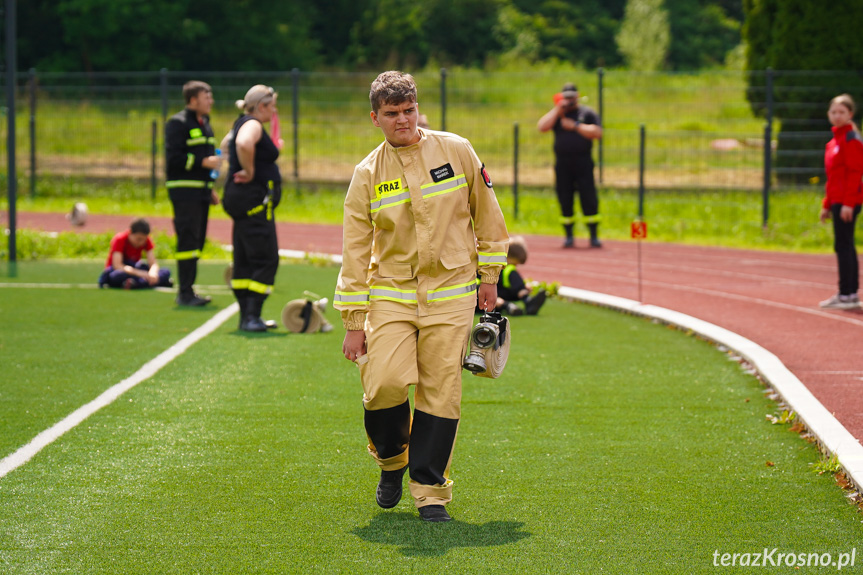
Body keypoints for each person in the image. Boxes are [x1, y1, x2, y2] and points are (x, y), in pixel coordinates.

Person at [335, 71, 509, 523]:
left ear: (418, 108)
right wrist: (354, 322)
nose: (403, 120)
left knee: (440, 393)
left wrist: (489, 275)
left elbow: (487, 214)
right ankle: (392, 461)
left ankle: (430, 491)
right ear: (376, 117)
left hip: (452, 294)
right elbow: (354, 251)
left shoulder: (457, 150)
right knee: (383, 384)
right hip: (390, 295)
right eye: (392, 114)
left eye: (409, 110)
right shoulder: (367, 174)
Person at [222, 85, 282, 332]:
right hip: (254, 202)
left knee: (244, 259)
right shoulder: (253, 125)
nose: (274, 110)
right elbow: (244, 144)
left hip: (240, 201)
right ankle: (251, 316)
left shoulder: (241, 122)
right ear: (261, 106)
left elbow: (226, 145)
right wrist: (249, 170)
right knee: (267, 259)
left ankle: (246, 315)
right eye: (272, 105)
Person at [165, 80, 221, 306]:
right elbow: (174, 159)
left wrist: (210, 187)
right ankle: (185, 293)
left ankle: (189, 290)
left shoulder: (205, 123)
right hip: (184, 193)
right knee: (187, 241)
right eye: (206, 97)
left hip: (201, 193)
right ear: (193, 100)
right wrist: (203, 162)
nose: (211, 101)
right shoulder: (177, 123)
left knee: (197, 241)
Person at [537, 82, 603, 249]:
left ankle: (593, 235)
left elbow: (597, 132)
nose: (569, 101)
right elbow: (542, 127)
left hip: (583, 162)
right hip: (563, 164)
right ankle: (569, 236)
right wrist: (557, 110)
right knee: (564, 198)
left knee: (588, 197)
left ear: (577, 96)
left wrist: (576, 126)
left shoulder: (586, 113)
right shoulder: (558, 115)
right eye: (566, 98)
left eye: (572, 98)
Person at [819, 94, 863, 310]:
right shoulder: (832, 143)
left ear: (850, 114)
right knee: (842, 245)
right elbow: (832, 177)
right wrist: (826, 205)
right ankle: (847, 292)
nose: (837, 116)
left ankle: (848, 293)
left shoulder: (851, 139)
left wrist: (848, 203)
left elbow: (856, 173)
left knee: (845, 245)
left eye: (841, 112)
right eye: (833, 112)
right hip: (836, 200)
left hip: (848, 201)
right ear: (828, 114)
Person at [98, 218, 172, 289]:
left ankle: (135, 284)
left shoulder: (146, 241)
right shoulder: (120, 239)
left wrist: (152, 273)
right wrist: (140, 273)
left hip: (135, 269)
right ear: (130, 232)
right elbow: (117, 265)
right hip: (122, 270)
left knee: (166, 271)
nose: (141, 242)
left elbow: (153, 263)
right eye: (138, 239)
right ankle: (155, 282)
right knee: (116, 276)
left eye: (143, 240)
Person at [495, 236, 547, 316]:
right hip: (485, 296)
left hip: (498, 292)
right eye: (514, 263)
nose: (515, 266)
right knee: (510, 271)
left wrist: (523, 285)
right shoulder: (495, 267)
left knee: (511, 275)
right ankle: (518, 302)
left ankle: (523, 300)